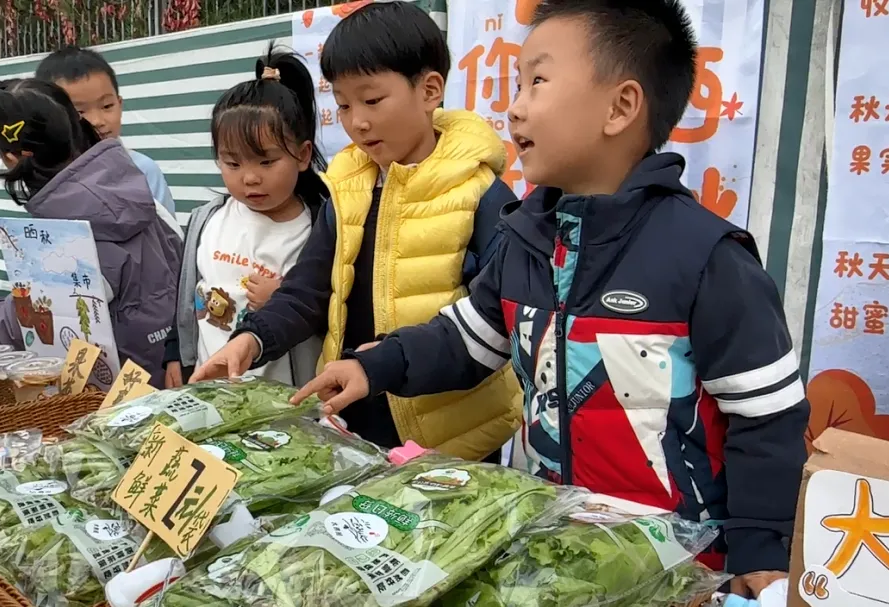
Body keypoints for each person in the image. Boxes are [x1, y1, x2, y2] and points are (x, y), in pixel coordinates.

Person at [290, 0, 809, 598]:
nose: (514, 107)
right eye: (517, 84)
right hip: (554, 551)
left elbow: (766, 417)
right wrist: (374, 365)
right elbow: (467, 338)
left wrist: (759, 550)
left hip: (678, 566)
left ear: (620, 107)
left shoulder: (707, 257)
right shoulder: (527, 239)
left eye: (537, 81)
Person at [191, 1, 521, 462]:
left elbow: (495, 324)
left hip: (451, 436)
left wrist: (385, 363)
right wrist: (253, 338)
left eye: (372, 100)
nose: (356, 121)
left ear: (429, 90)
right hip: (353, 415)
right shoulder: (347, 191)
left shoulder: (480, 194)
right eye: (343, 104)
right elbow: (308, 290)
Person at [0, 78, 182, 388]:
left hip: (119, 395)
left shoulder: (65, 230)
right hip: (174, 368)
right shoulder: (139, 191)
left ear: (11, 157)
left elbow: (47, 314)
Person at [163, 48, 325, 389]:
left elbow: (339, 313)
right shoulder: (205, 220)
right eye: (233, 164)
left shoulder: (320, 228)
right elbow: (187, 295)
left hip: (288, 403)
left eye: (266, 162)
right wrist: (176, 353)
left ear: (302, 155)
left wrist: (283, 298)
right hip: (212, 391)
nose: (250, 178)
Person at [35, 45, 178, 220]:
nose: (97, 121)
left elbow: (168, 232)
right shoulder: (48, 175)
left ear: (120, 104)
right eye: (79, 112)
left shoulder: (143, 170)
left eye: (107, 106)